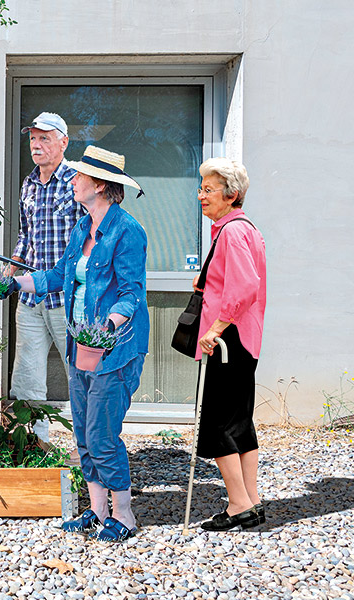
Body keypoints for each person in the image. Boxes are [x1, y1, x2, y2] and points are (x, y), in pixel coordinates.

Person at [6, 145, 149, 542]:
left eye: (81, 176)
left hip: (115, 349)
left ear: (100, 185)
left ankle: (125, 515)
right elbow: (57, 275)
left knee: (102, 434)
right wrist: (15, 283)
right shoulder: (81, 229)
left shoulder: (127, 231)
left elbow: (132, 295)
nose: (74, 180)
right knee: (84, 434)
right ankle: (98, 512)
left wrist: (104, 328)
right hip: (80, 345)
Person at [193, 158, 267, 531]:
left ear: (231, 194)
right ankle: (251, 501)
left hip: (228, 339)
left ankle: (237, 504)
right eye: (201, 187)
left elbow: (244, 287)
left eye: (208, 189)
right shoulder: (242, 229)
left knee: (220, 422)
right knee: (239, 421)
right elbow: (236, 281)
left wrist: (215, 328)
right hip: (244, 338)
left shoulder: (233, 232)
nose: (201, 195)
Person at [9, 112, 87, 446]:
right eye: (32, 139)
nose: (36, 145)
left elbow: (90, 237)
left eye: (44, 138)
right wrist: (8, 272)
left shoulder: (76, 182)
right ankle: (32, 443)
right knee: (27, 375)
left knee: (79, 371)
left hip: (65, 297)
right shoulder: (28, 183)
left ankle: (90, 443)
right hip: (30, 297)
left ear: (63, 142)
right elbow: (26, 236)